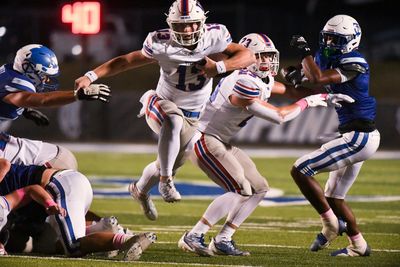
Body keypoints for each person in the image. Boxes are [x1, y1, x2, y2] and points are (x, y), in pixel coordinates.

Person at [74, 0, 255, 219]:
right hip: (160, 102)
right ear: (171, 25)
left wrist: (219, 67)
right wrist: (90, 75)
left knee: (163, 164)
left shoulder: (215, 36)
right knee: (173, 119)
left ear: (202, 23)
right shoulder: (160, 42)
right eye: (180, 25)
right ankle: (167, 182)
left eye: (191, 24)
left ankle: (139, 190)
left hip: (194, 116)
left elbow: (248, 55)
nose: (187, 30)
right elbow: (125, 61)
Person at [176, 33, 353, 257]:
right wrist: (309, 101)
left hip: (220, 140)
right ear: (249, 58)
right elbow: (279, 116)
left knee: (259, 188)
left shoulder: (260, 79)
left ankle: (223, 239)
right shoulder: (242, 82)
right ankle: (194, 235)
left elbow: (289, 90)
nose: (268, 62)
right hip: (204, 138)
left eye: (270, 56)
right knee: (239, 189)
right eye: (262, 57)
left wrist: (325, 92)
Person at [288, 15, 380, 257]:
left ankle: (330, 225)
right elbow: (308, 78)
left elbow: (317, 78)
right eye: (327, 37)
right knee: (334, 197)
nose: (329, 42)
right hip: (356, 134)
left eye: (335, 39)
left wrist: (305, 53)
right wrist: (295, 75)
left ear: (351, 40)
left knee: (300, 170)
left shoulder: (355, 61)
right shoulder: (325, 57)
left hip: (360, 136)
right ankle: (358, 245)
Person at [0, 158, 156, 260]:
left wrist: (50, 204)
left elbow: (5, 165)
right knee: (49, 242)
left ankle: (128, 240)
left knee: (73, 246)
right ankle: (103, 227)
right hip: (66, 185)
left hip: (60, 185)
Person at [0, 44, 111, 170]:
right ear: (26, 68)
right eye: (43, 75)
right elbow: (43, 100)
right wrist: (77, 95)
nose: (46, 80)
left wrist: (25, 109)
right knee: (61, 160)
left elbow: (12, 98)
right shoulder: (16, 84)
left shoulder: (8, 71)